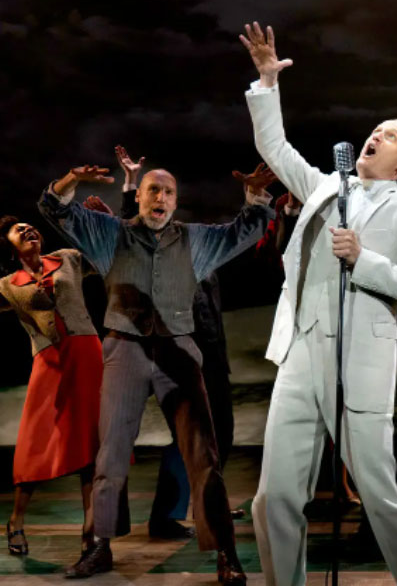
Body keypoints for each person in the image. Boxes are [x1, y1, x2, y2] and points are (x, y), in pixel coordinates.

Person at [240, 21, 397, 585]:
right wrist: (267, 83)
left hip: (360, 359)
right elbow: (274, 149)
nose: (376, 135)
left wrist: (364, 259)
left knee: (380, 495)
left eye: (390, 136)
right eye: (375, 129)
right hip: (302, 350)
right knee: (274, 495)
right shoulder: (327, 187)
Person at [38, 161, 274, 585]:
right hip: (124, 347)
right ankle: (98, 547)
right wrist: (71, 180)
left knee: (203, 455)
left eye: (167, 192)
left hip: (178, 349)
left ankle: (225, 552)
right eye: (153, 190)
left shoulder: (194, 240)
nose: (160, 198)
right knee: (110, 454)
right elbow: (55, 209)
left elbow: (244, 230)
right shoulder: (111, 234)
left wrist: (255, 196)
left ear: (175, 202)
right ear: (140, 196)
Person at [84, 148, 284, 532]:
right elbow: (135, 233)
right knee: (144, 438)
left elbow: (240, 237)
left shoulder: (200, 250)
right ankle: (158, 517)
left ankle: (196, 506)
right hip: (161, 345)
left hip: (204, 351)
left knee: (214, 434)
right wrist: (130, 186)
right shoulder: (149, 245)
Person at [0, 179, 102, 557]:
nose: (29, 230)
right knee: (35, 446)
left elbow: (107, 257)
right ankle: (16, 520)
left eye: (30, 227)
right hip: (48, 364)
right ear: (8, 247)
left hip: (87, 356)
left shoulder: (67, 258)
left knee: (91, 445)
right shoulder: (6, 285)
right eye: (19, 231)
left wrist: (100, 223)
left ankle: (91, 531)